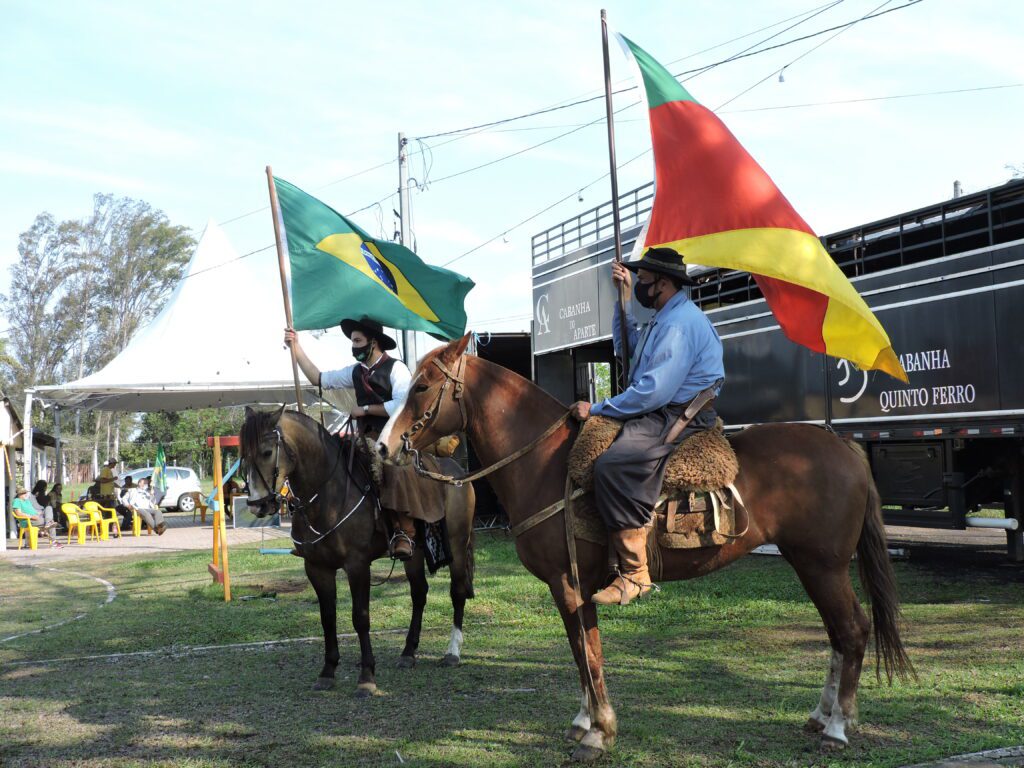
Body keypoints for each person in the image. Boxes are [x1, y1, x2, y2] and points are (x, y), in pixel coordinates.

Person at [570, 247, 725, 606]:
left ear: (664, 283)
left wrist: (595, 408)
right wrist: (623, 301)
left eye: (643, 282)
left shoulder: (678, 325)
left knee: (612, 465)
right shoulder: (663, 318)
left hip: (676, 412)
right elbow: (630, 353)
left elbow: (653, 391)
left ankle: (634, 572)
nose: (640, 287)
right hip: (663, 407)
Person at [285, 316, 418, 559]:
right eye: (352, 341)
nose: (353, 346)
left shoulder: (396, 368)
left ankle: (403, 532)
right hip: (362, 437)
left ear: (373, 342)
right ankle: (322, 532)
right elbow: (318, 378)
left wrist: (365, 410)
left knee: (391, 470)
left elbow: (403, 403)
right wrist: (296, 347)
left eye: (358, 341)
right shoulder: (355, 372)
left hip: (394, 437)